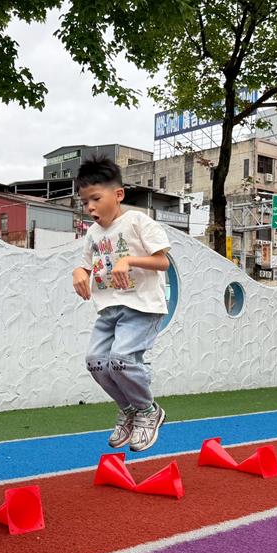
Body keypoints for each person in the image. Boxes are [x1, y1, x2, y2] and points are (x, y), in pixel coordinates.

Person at [72, 155, 170, 452]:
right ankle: (129, 410)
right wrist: (79, 273)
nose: (90, 207)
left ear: (118, 194)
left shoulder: (138, 222)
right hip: (109, 310)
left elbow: (162, 262)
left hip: (141, 307)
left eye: (95, 199)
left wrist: (129, 260)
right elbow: (85, 265)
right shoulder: (92, 233)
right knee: (96, 361)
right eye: (85, 202)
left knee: (122, 359)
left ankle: (148, 411)